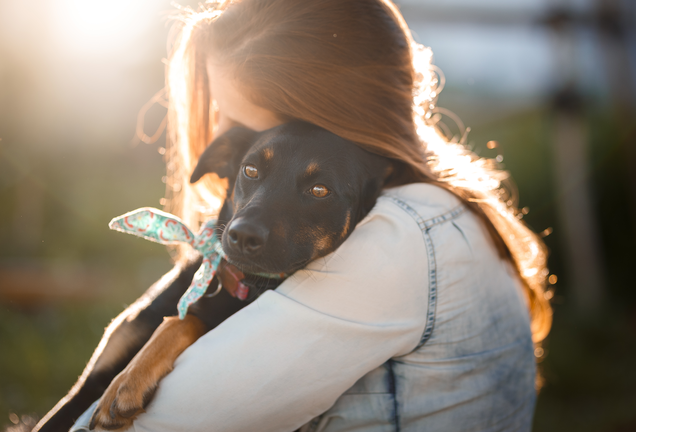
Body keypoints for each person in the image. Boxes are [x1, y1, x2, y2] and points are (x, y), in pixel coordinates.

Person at [74, 0, 553, 430]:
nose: (221, 134)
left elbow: (151, 425)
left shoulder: (389, 246)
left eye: (239, 120)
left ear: (324, 117)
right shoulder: (438, 207)